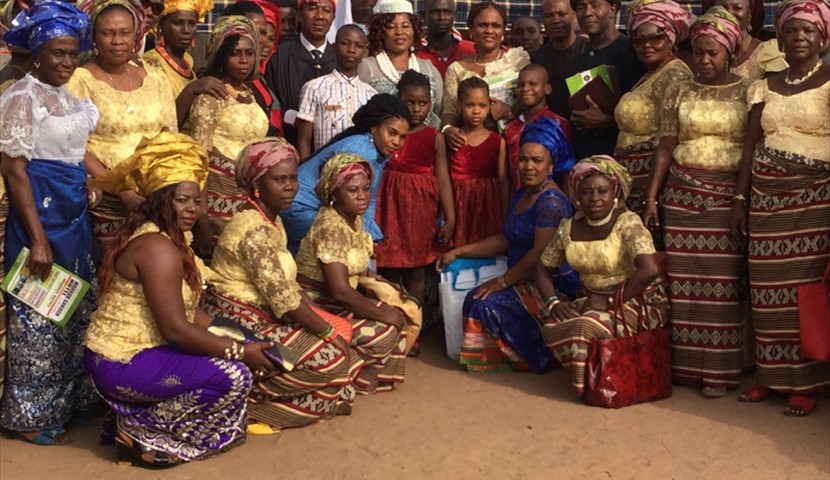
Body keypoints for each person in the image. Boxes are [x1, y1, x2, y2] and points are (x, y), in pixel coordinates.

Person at [84, 132, 272, 468]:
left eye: (197, 200)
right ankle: (140, 429)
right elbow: (174, 328)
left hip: (144, 351)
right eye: (182, 200)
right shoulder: (158, 248)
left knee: (242, 349)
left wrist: (233, 333)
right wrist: (239, 350)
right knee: (234, 377)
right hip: (121, 360)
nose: (192, 209)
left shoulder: (170, 237)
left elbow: (187, 311)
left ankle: (137, 422)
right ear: (160, 199)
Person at [205, 138, 356, 430]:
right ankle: (247, 400)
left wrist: (327, 321)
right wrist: (326, 328)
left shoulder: (272, 220)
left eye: (293, 178)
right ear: (257, 184)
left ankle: (285, 398)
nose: (290, 187)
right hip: (240, 324)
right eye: (280, 180)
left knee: (345, 349)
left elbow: (288, 287)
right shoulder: (253, 230)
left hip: (264, 316)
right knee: (332, 358)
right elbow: (285, 299)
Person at [0, 0, 99, 445]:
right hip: (38, 214)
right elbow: (14, 170)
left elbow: (74, 154)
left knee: (74, 308)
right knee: (37, 310)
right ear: (37, 53)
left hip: (72, 213)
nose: (66, 61)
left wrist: (93, 184)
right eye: (57, 52)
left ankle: (69, 400)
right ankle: (28, 416)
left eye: (72, 52)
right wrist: (36, 239)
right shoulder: (20, 97)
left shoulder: (65, 96)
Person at [642, 7, 750, 398]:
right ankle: (685, 370)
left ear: (729, 54)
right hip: (682, 196)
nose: (704, 60)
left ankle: (717, 374)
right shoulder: (680, 89)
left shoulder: (747, 90)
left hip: (724, 199)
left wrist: (740, 198)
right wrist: (653, 197)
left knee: (720, 288)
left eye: (713, 53)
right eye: (699, 52)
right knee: (683, 287)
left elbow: (751, 149)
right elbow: (666, 146)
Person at [730, 0, 830, 416]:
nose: (800, 37)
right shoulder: (765, 84)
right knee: (767, 294)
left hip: (814, 201)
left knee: (802, 295)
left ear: (823, 38)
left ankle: (805, 384)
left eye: (809, 31)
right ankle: (770, 378)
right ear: (781, 38)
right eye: (792, 30)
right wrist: (741, 199)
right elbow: (751, 144)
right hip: (766, 202)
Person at [439, 117, 578, 373]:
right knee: (478, 298)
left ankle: (541, 355)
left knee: (483, 301)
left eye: (537, 160)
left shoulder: (552, 204)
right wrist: (459, 251)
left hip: (549, 284)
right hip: (519, 277)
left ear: (551, 165)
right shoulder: (522, 194)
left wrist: (501, 282)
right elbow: (506, 239)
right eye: (523, 159)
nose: (528, 166)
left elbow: (538, 257)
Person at [539, 156, 669, 397]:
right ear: (577, 196)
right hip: (594, 302)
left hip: (638, 301)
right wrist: (553, 302)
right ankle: (596, 374)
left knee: (585, 326)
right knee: (551, 326)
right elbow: (543, 268)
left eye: (602, 191)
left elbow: (649, 270)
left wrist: (610, 301)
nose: (595, 198)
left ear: (615, 192)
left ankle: (587, 389)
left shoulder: (627, 222)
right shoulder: (568, 227)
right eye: (586, 192)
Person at [295, 155, 413, 394]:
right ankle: (346, 378)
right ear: (334, 194)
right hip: (317, 304)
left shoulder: (352, 219)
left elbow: (354, 263)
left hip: (337, 299)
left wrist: (380, 280)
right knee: (384, 329)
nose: (362, 196)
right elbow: (339, 291)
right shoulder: (331, 228)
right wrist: (382, 313)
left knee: (400, 309)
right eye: (352, 190)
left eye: (366, 188)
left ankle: (361, 375)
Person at [67, 0, 177, 248]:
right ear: (94, 37)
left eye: (125, 33)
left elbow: (171, 136)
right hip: (108, 200)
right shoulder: (79, 80)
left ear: (137, 35)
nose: (117, 41)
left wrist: (162, 189)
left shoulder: (156, 78)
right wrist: (121, 189)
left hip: (157, 194)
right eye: (107, 33)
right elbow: (74, 144)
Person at [280, 93, 411, 252]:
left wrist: (367, 234)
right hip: (298, 208)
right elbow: (344, 201)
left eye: (402, 137)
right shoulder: (361, 151)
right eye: (392, 133)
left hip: (319, 210)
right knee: (344, 248)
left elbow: (369, 198)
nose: (397, 142)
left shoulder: (379, 152)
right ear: (374, 127)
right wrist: (362, 240)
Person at [375, 71, 454, 310]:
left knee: (416, 271)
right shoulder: (386, 133)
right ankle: (388, 325)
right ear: (399, 99)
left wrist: (450, 218)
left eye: (423, 103)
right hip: (387, 211)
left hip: (420, 214)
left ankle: (413, 326)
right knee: (386, 268)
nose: (417, 109)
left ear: (430, 103)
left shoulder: (434, 137)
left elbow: (442, 179)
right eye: (410, 102)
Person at [190, 15, 269, 243]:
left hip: (248, 200)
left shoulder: (250, 93)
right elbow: (199, 158)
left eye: (249, 53)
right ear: (221, 57)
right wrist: (201, 216)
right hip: (217, 201)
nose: (243, 60)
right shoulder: (211, 96)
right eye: (235, 53)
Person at [614, 0, 694, 213]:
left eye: (656, 37)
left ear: (670, 39)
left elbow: (669, 139)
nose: (646, 45)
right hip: (633, 178)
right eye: (639, 40)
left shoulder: (674, 75)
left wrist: (651, 196)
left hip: (651, 182)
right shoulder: (651, 75)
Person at [441, 2, 530, 151]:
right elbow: (450, 111)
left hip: (513, 145)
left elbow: (534, 104)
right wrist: (448, 129)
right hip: (469, 147)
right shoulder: (456, 69)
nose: (489, 30)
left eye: (496, 25)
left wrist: (509, 111)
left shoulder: (518, 62)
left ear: (503, 31)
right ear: (471, 28)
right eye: (483, 25)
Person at [569, 0, 645, 159]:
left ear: (613, 9)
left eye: (595, 5)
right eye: (581, 6)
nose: (588, 12)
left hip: (616, 160)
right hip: (584, 157)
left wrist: (606, 121)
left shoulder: (631, 53)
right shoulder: (582, 51)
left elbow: (645, 116)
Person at [143, 0, 229, 130]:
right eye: (178, 23)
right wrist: (191, 89)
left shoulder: (188, 61)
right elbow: (160, 123)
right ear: (161, 25)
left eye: (191, 24)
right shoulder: (152, 63)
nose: (186, 30)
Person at [357, 0, 443, 128]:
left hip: (425, 143)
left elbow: (439, 110)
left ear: (414, 30)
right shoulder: (366, 67)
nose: (399, 32)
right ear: (380, 32)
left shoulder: (429, 69)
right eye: (391, 26)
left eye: (405, 26)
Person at [296, 24, 377, 159]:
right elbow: (304, 140)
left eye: (358, 46)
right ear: (333, 47)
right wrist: (306, 170)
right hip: (324, 169)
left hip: (361, 170)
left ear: (365, 52)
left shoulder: (371, 95)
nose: (351, 50)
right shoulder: (314, 87)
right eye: (345, 43)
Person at [264, 0, 336, 144]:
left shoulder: (339, 57)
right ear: (300, 16)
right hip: (288, 143)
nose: (320, 16)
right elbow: (268, 103)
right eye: (313, 9)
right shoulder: (279, 56)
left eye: (327, 10)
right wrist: (292, 117)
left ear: (333, 18)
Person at [449, 77, 507, 247]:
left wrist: (505, 216)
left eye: (482, 106)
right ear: (459, 105)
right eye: (470, 105)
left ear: (489, 106)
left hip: (489, 209)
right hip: (459, 209)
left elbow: (503, 182)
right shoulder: (453, 140)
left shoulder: (498, 141)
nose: (476, 111)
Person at [219, 1, 284, 137]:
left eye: (264, 33)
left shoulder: (257, 79)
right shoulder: (219, 86)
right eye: (253, 30)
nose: (263, 41)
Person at [504, 64, 571, 193]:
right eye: (521, 85)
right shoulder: (511, 127)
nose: (525, 89)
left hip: (548, 199)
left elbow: (566, 169)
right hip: (518, 201)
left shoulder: (559, 124)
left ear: (547, 88)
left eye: (533, 84)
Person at [531, 0, 589, 119]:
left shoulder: (590, 50)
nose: (555, 20)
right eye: (548, 16)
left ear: (574, 15)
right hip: (551, 130)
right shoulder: (537, 58)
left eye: (562, 14)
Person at [703, 0, 788, 81]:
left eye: (737, 8)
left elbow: (776, 93)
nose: (728, 14)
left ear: (750, 14)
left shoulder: (768, 51)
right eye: (722, 8)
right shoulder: (702, 53)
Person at [416, 0, 475, 78]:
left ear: (455, 15)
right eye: (435, 12)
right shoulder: (415, 53)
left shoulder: (471, 49)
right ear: (423, 16)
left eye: (447, 12)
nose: (442, 17)